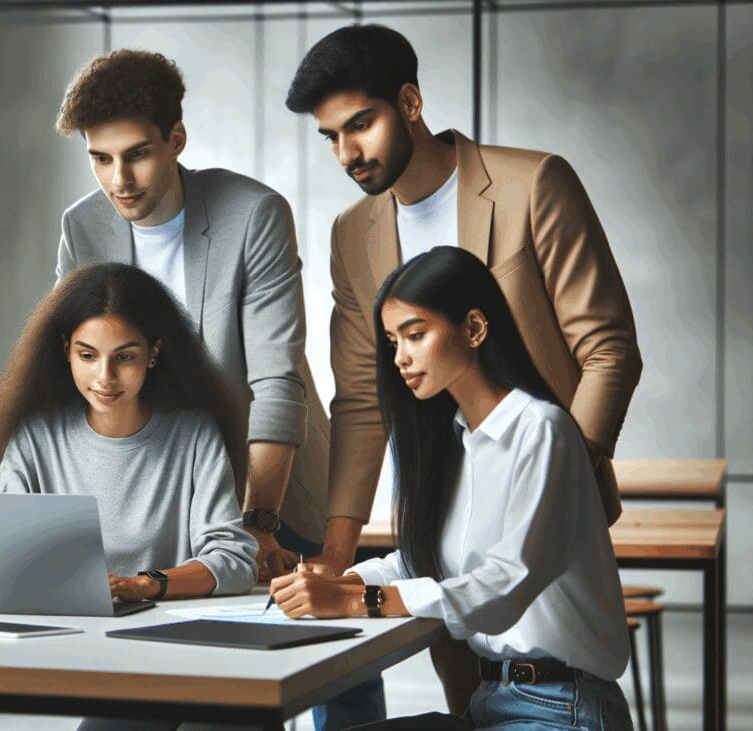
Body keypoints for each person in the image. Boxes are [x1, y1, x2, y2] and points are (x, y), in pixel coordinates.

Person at [284, 24, 642, 723]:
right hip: (437, 514)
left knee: (530, 682)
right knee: (477, 700)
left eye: (360, 125)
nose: (347, 153)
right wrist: (335, 558)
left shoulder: (533, 183)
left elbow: (608, 349)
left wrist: (558, 480)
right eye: (330, 137)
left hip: (533, 509)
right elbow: (360, 401)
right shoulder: (353, 232)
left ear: (410, 102)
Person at [271, 246, 633, 730]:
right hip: (491, 703)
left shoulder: (542, 430)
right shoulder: (461, 443)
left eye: (415, 335)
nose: (400, 358)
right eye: (392, 341)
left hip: (563, 709)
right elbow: (422, 562)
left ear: (474, 328)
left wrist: (356, 602)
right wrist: (338, 581)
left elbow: (506, 582)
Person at [54, 50, 330, 581]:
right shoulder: (81, 227)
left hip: (270, 495)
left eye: (137, 154)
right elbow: (73, 372)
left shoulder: (253, 215)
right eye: (101, 158)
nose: (119, 179)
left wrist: (258, 521)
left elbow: (276, 381)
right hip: (154, 501)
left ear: (176, 140)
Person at [0, 262, 258, 607]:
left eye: (125, 357)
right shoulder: (36, 437)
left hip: (162, 626)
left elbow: (234, 561)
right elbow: (0, 555)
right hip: (57, 622)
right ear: (66, 351)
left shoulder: (194, 435)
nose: (105, 376)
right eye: (87, 355)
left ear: (153, 354)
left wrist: (144, 585)